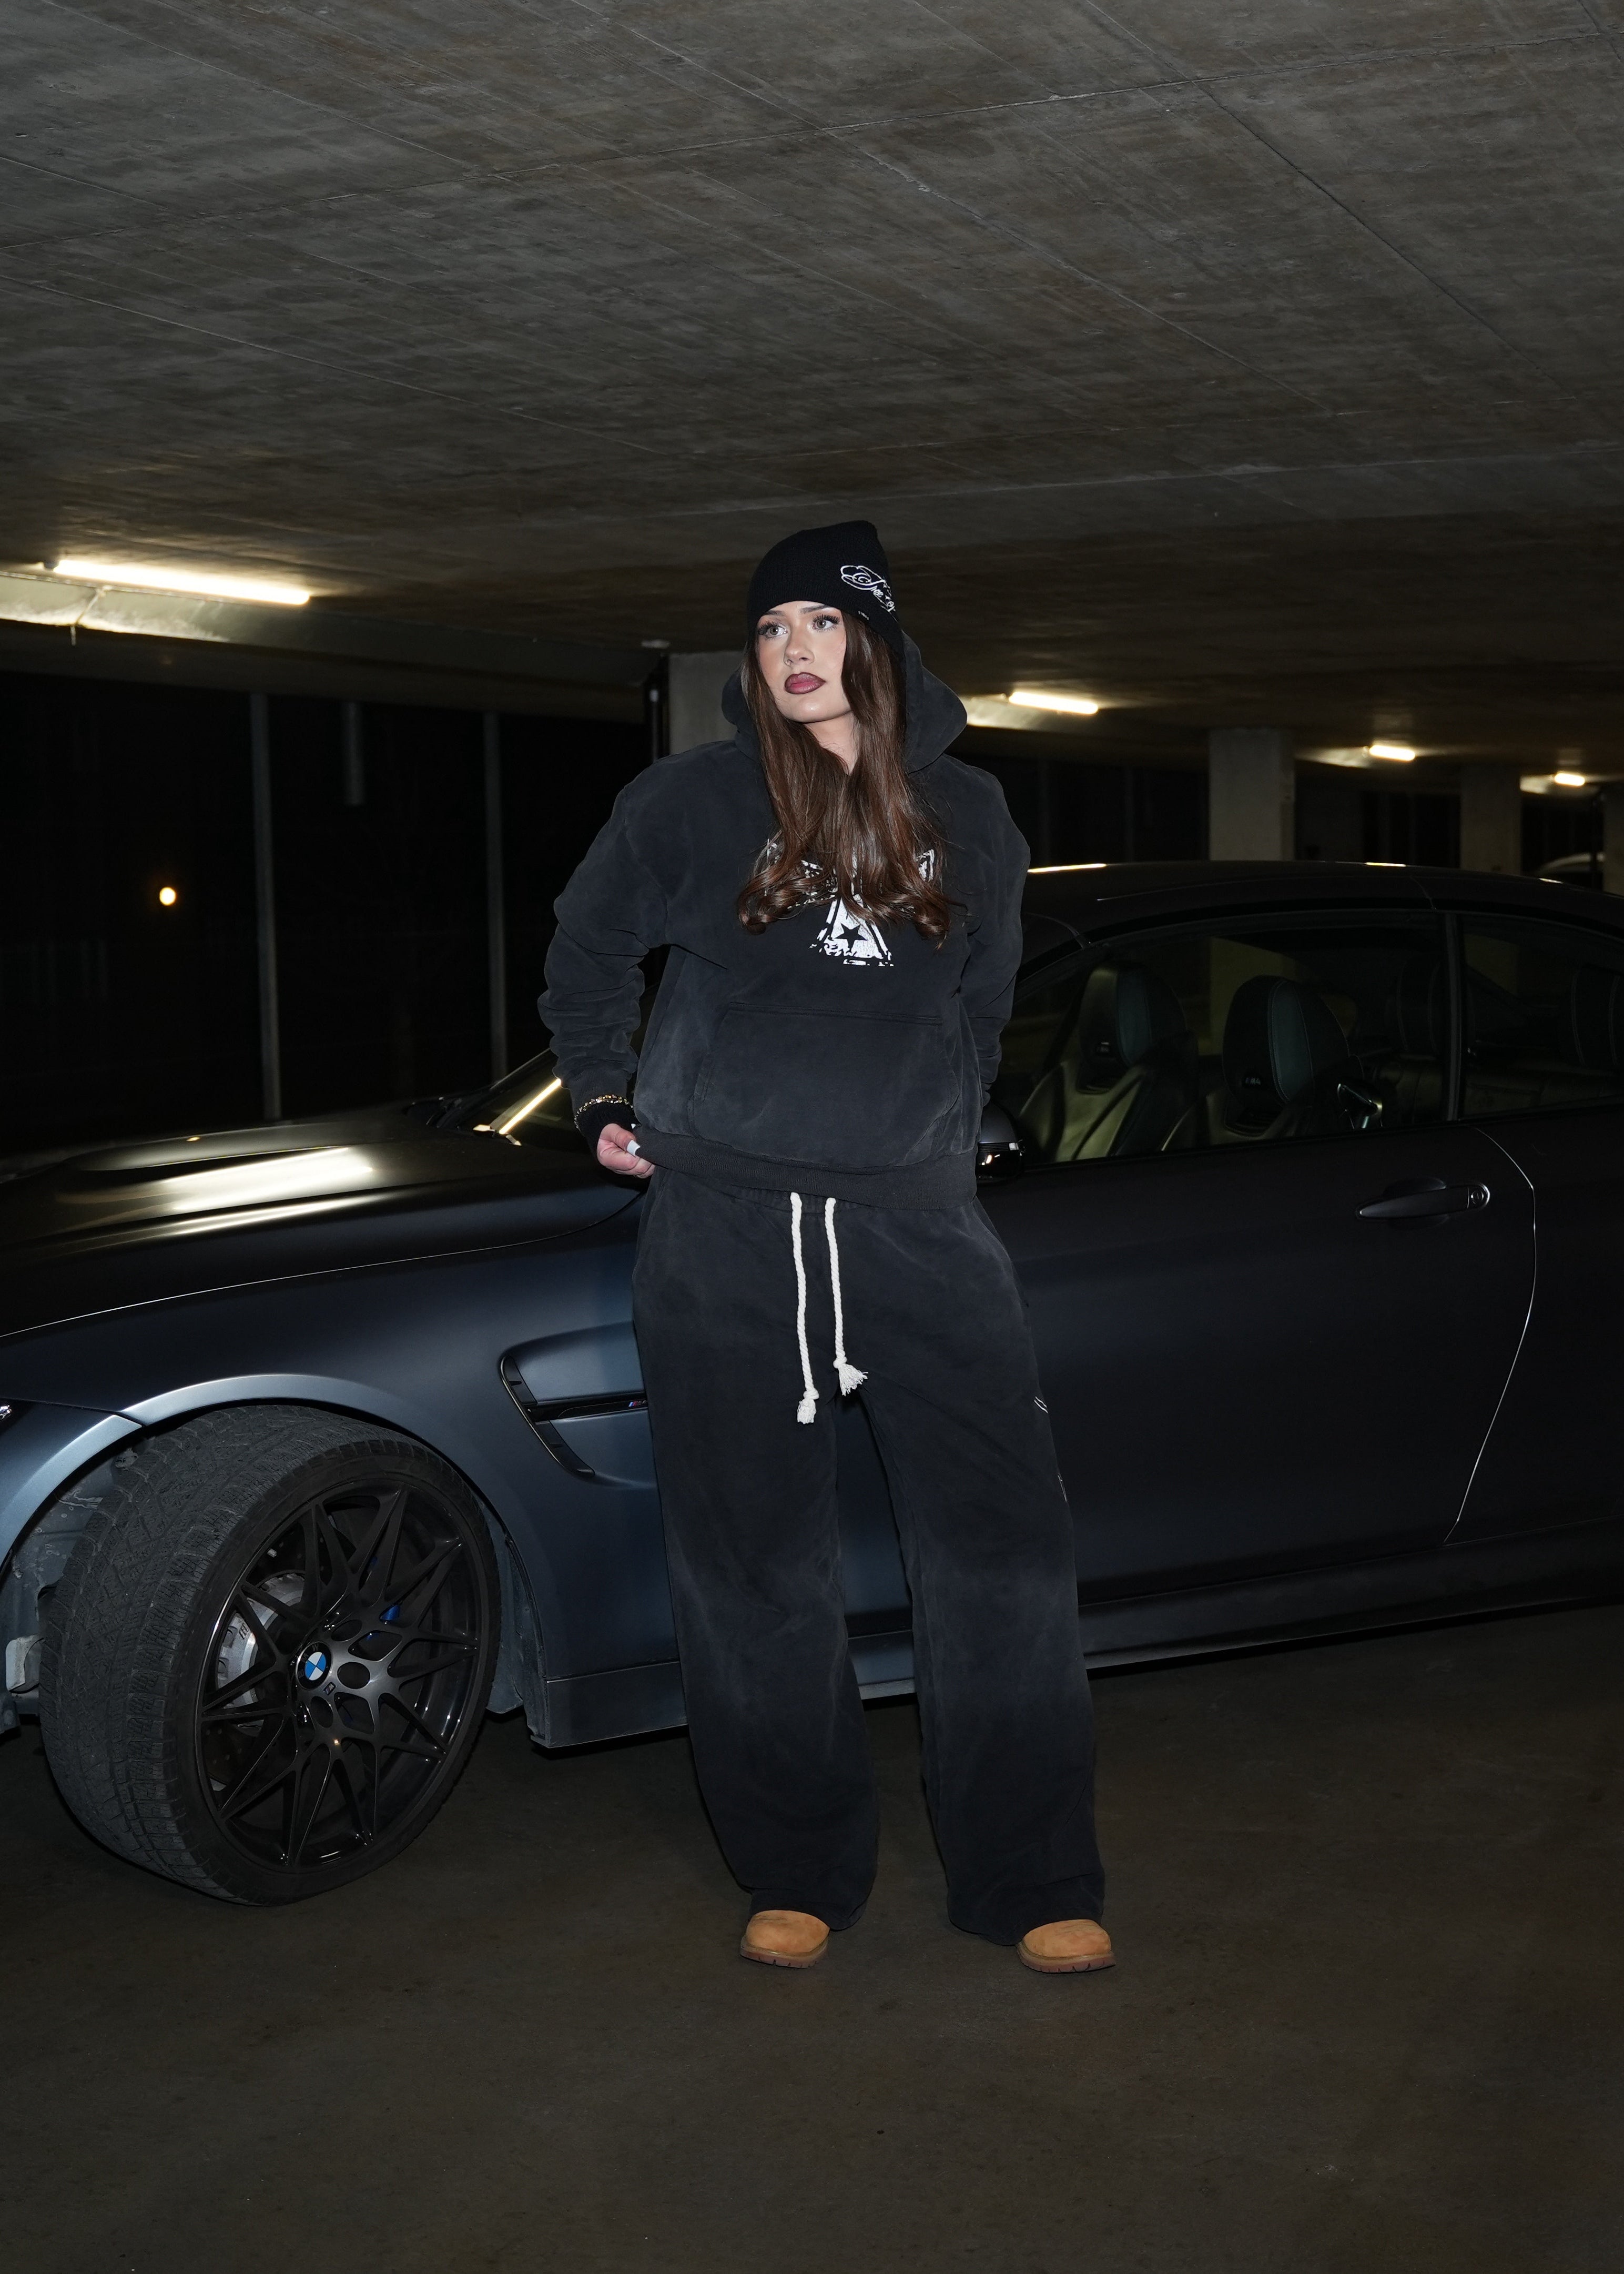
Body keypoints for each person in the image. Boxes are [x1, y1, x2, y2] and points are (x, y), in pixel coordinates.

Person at [539, 521, 1109, 1975]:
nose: (793, 652)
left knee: (1002, 1555)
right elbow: (586, 945)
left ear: (881, 643)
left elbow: (984, 1001)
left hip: (918, 1225)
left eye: (821, 624)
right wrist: (602, 1088)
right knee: (751, 1566)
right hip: (726, 1227)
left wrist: (947, 1126)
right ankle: (798, 1866)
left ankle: (1031, 1874)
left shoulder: (971, 817)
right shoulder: (687, 803)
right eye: (770, 630)